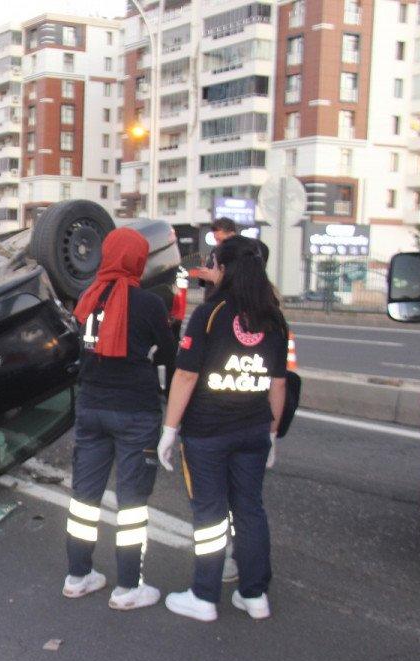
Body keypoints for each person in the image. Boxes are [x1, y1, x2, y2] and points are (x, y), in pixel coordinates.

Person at [157, 235, 288, 622]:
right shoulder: (274, 317)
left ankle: (204, 595)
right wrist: (272, 433)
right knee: (249, 510)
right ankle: (255, 595)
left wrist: (169, 429)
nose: (210, 270)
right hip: (253, 429)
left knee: (210, 513)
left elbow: (185, 375)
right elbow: (278, 384)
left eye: (214, 264)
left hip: (208, 433)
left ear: (225, 269)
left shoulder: (211, 313)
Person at [62, 228, 177, 610]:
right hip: (135, 412)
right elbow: (167, 354)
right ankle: (128, 587)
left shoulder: (89, 297)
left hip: (92, 406)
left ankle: (78, 576)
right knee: (131, 502)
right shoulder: (148, 304)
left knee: (84, 498)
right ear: (138, 260)